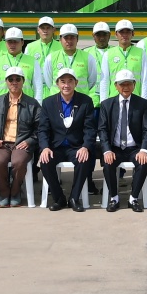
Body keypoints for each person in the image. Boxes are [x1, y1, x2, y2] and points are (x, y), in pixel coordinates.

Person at [36, 66, 94, 211]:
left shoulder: (85, 101)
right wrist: (45, 147)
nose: (66, 85)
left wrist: (85, 147)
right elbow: (43, 129)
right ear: (57, 84)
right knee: (45, 161)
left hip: (76, 147)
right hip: (56, 147)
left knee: (84, 160)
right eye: (63, 81)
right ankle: (59, 198)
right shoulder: (48, 103)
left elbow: (90, 128)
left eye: (70, 81)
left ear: (76, 83)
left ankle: (74, 198)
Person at [98, 69, 147, 211]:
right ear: (116, 86)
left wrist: (144, 150)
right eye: (122, 84)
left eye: (129, 84)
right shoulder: (106, 105)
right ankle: (114, 198)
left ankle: (133, 198)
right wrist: (107, 150)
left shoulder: (142, 104)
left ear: (134, 85)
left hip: (135, 148)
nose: (126, 87)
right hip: (115, 148)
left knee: (144, 161)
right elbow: (102, 130)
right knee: (108, 163)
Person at [0, 65, 42, 207]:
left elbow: (39, 128)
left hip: (22, 143)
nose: (14, 82)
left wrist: (30, 141)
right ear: (6, 82)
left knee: (19, 162)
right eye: (11, 79)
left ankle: (15, 192)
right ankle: (3, 192)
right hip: (2, 143)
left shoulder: (32, 104)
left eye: (17, 79)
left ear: (23, 81)